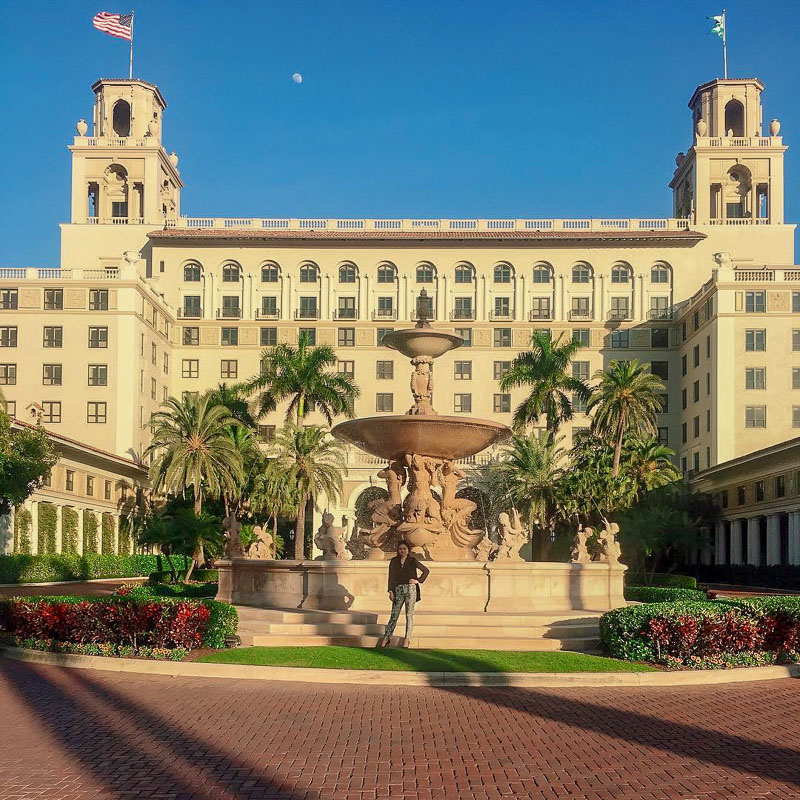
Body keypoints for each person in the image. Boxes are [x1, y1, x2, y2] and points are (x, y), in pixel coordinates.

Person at [378, 540, 430, 648]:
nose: (402, 551)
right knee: (394, 615)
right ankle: (387, 637)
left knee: (409, 615)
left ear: (408, 550)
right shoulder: (394, 561)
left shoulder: (412, 560)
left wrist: (418, 580)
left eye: (405, 549)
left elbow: (426, 571)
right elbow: (391, 576)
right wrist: (390, 591)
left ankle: (407, 639)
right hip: (398, 590)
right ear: (398, 550)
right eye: (400, 549)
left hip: (410, 589)